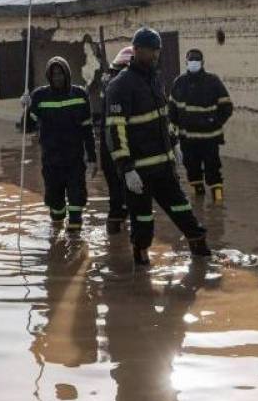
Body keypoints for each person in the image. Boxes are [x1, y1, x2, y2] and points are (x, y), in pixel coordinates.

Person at [105, 27, 212, 266]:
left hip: (164, 166)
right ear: (137, 50)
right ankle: (140, 269)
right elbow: (114, 129)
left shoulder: (154, 79)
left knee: (183, 210)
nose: (155, 55)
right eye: (151, 51)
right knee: (142, 221)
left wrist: (174, 144)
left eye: (158, 51)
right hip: (139, 172)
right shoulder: (120, 86)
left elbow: (163, 117)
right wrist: (126, 168)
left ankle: (202, 255)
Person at [24, 57, 97, 233]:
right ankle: (57, 245)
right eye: (54, 74)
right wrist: (26, 108)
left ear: (67, 74)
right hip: (51, 162)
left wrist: (93, 159)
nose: (57, 77)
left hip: (74, 161)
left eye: (61, 73)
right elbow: (28, 128)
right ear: (49, 76)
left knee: (76, 203)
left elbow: (88, 130)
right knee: (56, 210)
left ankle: (74, 246)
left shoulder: (80, 95)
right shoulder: (39, 97)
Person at [169, 48, 233, 203]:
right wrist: (173, 136)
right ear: (186, 62)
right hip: (188, 140)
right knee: (192, 171)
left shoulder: (213, 82)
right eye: (191, 60)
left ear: (202, 63)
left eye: (196, 60)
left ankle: (218, 203)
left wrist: (214, 122)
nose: (193, 63)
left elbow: (227, 107)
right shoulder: (179, 83)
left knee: (213, 171)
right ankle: (199, 203)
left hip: (209, 139)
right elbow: (172, 111)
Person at [99, 46, 133, 234]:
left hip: (109, 150)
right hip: (121, 151)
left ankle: (115, 240)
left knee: (117, 196)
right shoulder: (120, 88)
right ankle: (119, 239)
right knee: (126, 197)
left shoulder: (108, 84)